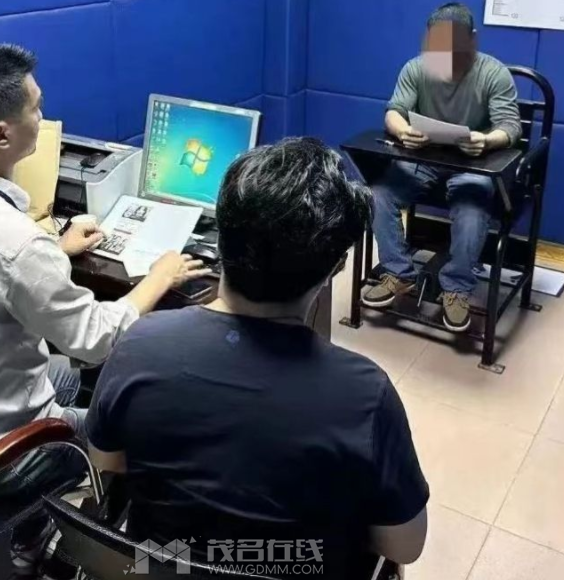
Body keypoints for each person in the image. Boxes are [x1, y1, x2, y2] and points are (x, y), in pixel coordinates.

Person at [0, 43, 209, 578]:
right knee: (141, 427)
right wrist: (160, 276)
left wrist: (54, 251)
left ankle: (35, 520)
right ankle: (76, 542)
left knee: (65, 373)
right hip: (1, 455)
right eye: (36, 107)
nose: (43, 115)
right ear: (1, 135)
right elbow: (98, 339)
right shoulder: (18, 244)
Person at [86, 138, 429, 580]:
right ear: (336, 268)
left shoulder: (140, 343)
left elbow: (107, 463)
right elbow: (404, 544)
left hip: (158, 566)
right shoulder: (365, 393)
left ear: (222, 237)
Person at [362, 2, 522, 332]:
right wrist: (403, 131)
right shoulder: (416, 68)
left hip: (473, 164)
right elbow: (394, 111)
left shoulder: (493, 73)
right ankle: (399, 273)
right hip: (424, 159)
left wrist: (486, 140)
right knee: (378, 194)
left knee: (472, 209)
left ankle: (457, 288)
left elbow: (510, 127)